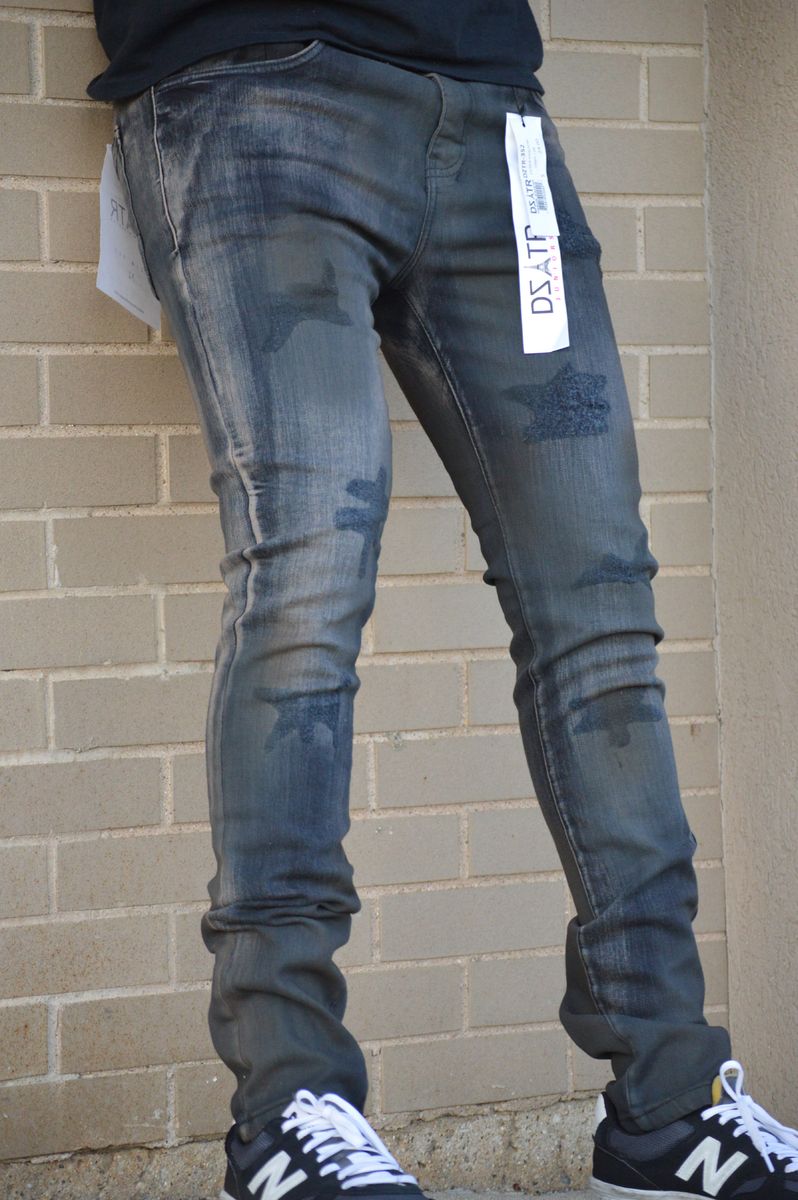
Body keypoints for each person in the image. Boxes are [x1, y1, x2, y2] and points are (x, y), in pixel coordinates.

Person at [87, 5, 798, 1199]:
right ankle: (289, 1104)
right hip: (248, 82)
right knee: (305, 580)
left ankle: (671, 1107)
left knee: (602, 610)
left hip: (492, 108)